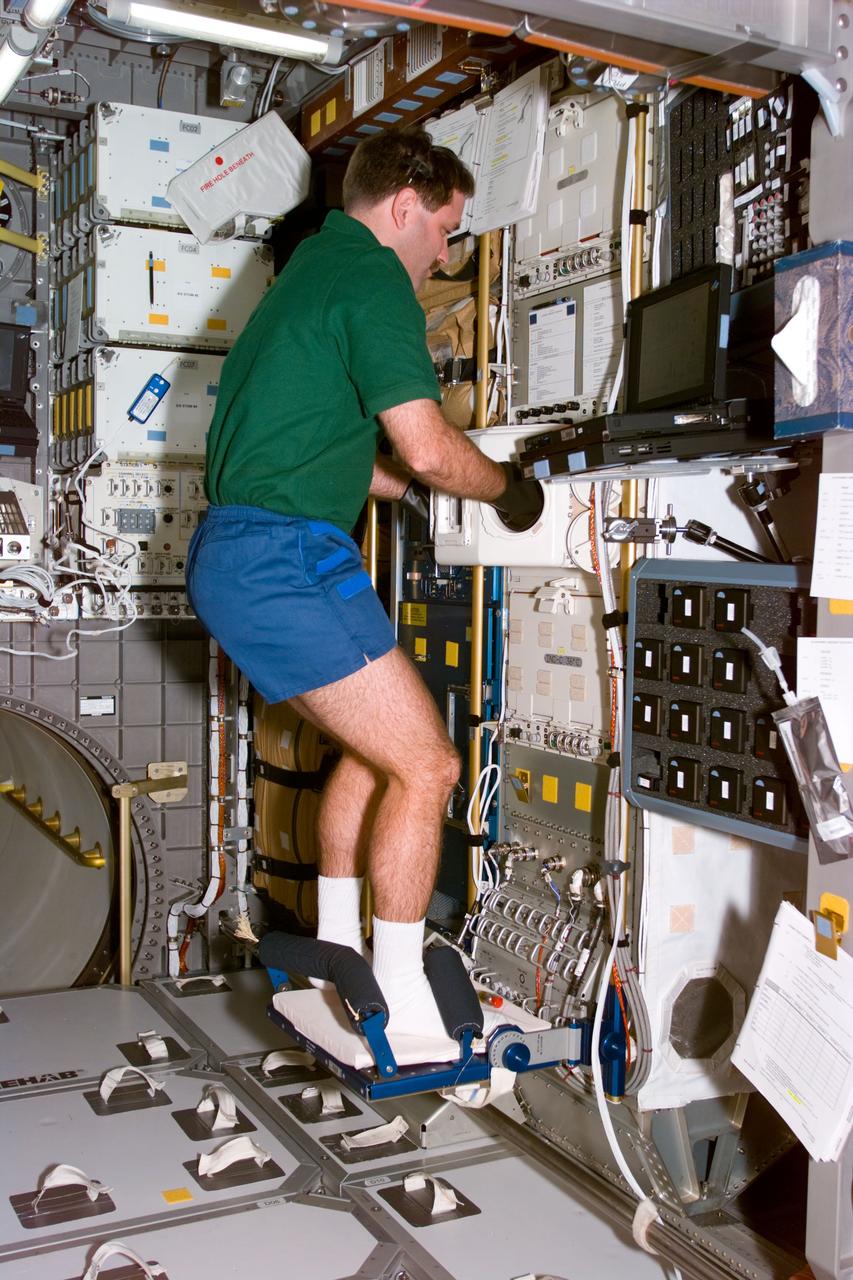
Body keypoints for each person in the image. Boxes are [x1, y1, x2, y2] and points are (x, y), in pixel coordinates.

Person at [187, 126, 538, 1040]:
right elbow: (424, 447)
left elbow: (355, 459)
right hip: (286, 559)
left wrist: (413, 492)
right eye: (447, 231)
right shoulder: (376, 276)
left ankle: (338, 944)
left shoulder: (307, 270)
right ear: (405, 204)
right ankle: (401, 995)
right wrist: (509, 489)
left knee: (376, 752)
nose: (446, 255)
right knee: (431, 766)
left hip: (241, 553)